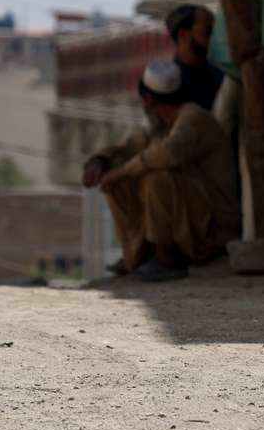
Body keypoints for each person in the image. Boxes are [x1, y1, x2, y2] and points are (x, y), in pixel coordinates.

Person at [81, 60, 240, 282]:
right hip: (195, 224)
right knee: (118, 167)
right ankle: (138, 253)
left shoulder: (194, 118)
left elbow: (167, 153)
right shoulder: (160, 125)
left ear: (148, 100)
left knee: (158, 176)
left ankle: (166, 257)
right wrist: (101, 159)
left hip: (213, 230)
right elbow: (128, 148)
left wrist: (121, 173)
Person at [165, 4, 224, 112]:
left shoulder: (221, 71)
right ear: (183, 35)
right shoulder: (173, 86)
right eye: (207, 32)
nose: (215, 39)